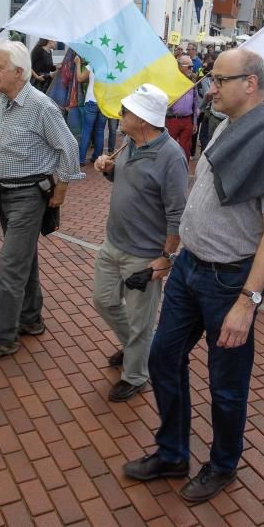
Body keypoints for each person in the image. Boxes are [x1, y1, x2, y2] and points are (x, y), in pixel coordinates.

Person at [124, 48, 264, 503]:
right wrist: (174, 256)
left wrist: (247, 303)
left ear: (249, 83)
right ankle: (172, 452)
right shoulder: (228, 126)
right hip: (190, 268)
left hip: (229, 282)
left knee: (227, 386)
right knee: (162, 358)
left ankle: (224, 465)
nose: (209, 87)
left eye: (218, 79)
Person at [0, 40, 81, 363]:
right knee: (24, 259)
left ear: (20, 72)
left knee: (9, 266)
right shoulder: (4, 101)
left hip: (29, 197)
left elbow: (70, 148)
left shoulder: (41, 107)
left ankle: (3, 338)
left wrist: (62, 189)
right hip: (4, 193)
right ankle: (31, 318)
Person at [93, 84, 188, 402]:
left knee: (140, 320)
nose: (121, 113)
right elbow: (124, 179)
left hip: (144, 256)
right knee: (104, 300)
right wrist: (108, 171)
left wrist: (165, 257)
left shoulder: (171, 158)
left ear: (144, 120)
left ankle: (135, 375)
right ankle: (134, 346)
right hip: (113, 243)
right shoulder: (129, 142)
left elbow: (177, 215)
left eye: (127, 110)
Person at [165, 56, 198, 162]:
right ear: (180, 67)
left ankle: (183, 170)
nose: (191, 69)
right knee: (169, 147)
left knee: (186, 148)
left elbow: (195, 102)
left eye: (192, 67)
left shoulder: (193, 81)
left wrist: (195, 121)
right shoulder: (170, 80)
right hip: (172, 119)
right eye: (189, 67)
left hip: (187, 120)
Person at [78, 62, 107, 166]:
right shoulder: (110, 65)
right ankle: (96, 157)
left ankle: (81, 159)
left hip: (91, 101)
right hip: (103, 102)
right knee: (99, 132)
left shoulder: (93, 63)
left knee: (86, 131)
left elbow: (80, 78)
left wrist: (77, 63)